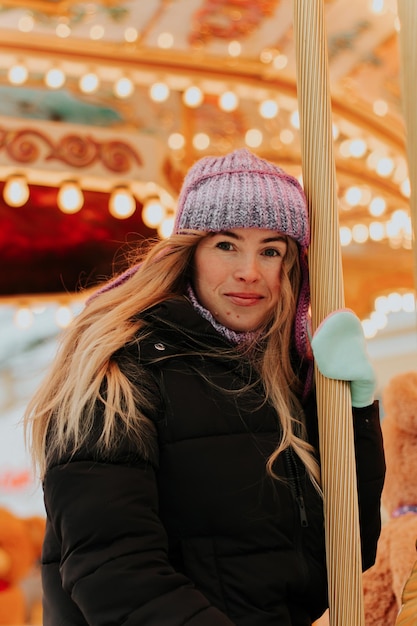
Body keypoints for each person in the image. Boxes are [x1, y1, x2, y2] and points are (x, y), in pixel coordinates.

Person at [24, 148, 385, 626]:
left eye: (271, 250)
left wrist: (353, 412)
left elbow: (344, 554)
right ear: (189, 252)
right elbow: (113, 569)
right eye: (226, 245)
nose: (250, 272)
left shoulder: (283, 383)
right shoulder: (120, 372)